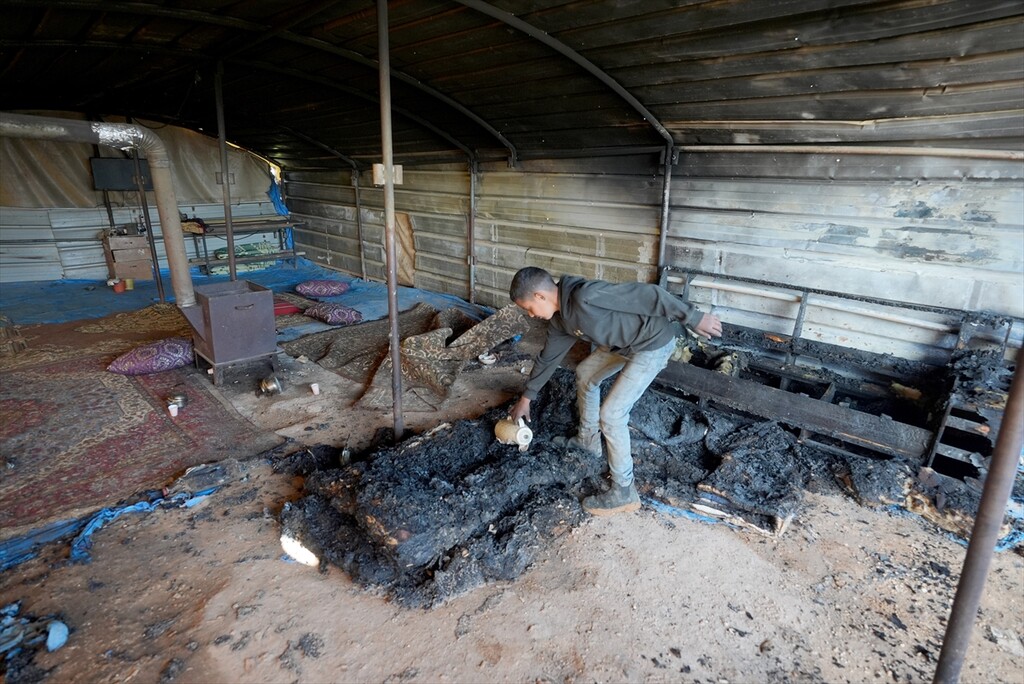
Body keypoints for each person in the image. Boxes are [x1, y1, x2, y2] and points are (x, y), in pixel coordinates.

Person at [508, 267, 722, 516]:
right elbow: (548, 358)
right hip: (621, 346)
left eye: (528, 308)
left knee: (611, 414)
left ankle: (624, 490)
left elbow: (650, 295)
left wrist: (693, 318)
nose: (531, 315)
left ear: (540, 296)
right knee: (585, 374)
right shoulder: (560, 320)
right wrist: (527, 398)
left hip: (652, 343)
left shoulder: (585, 295)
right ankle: (587, 441)